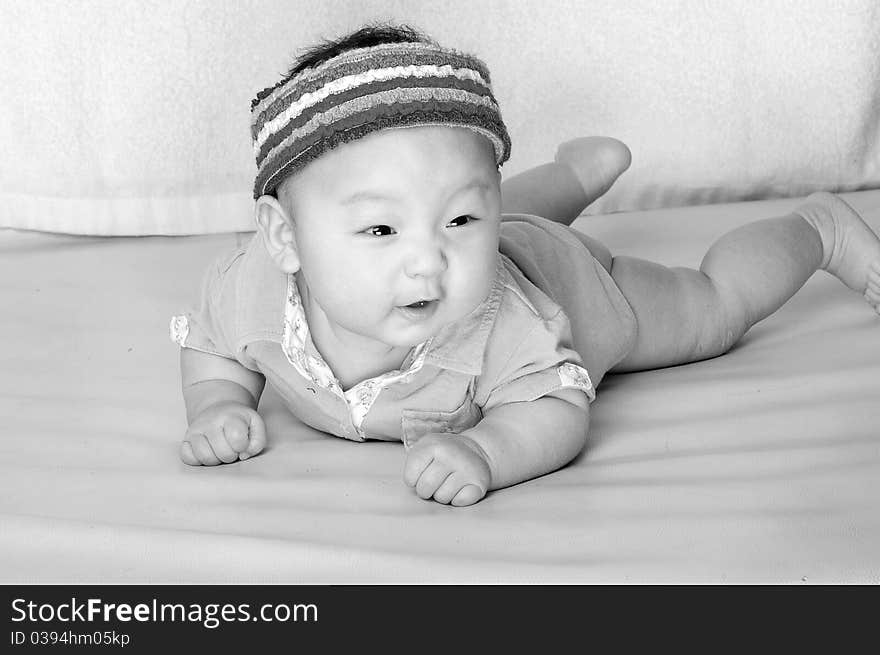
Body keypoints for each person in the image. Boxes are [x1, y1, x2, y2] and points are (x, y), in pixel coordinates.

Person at [171, 24, 880, 506]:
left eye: (458, 220)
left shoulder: (510, 322)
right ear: (284, 236)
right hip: (508, 233)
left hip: (568, 278)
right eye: (381, 227)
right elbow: (210, 341)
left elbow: (557, 408)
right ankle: (572, 175)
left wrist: (488, 450)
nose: (429, 262)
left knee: (711, 307)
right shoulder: (252, 287)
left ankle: (819, 230)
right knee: (498, 225)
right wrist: (220, 402)